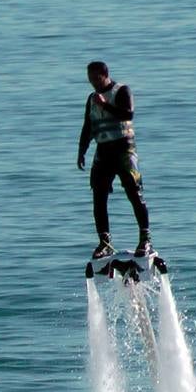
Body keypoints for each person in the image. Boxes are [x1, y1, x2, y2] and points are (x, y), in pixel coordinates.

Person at [77, 60, 152, 258]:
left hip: (124, 150)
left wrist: (106, 105)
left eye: (96, 78)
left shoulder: (121, 91)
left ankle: (145, 239)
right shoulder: (92, 98)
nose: (93, 83)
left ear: (105, 75)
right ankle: (105, 242)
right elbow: (88, 126)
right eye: (90, 79)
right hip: (103, 151)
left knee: (134, 193)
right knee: (98, 196)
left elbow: (128, 114)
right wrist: (81, 151)